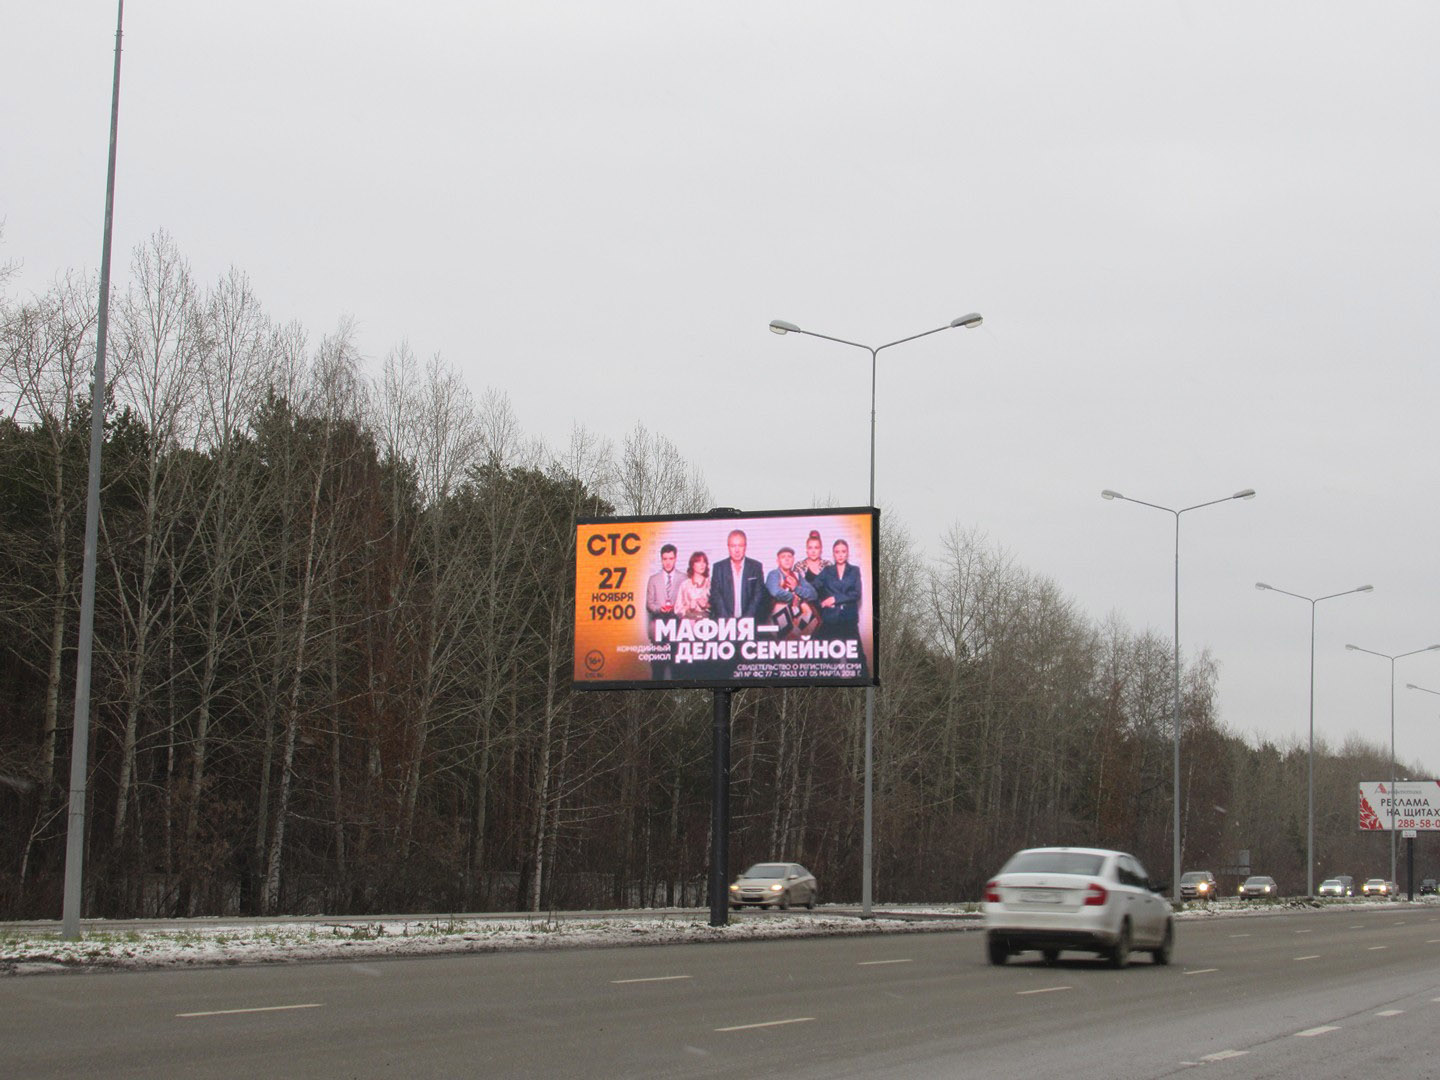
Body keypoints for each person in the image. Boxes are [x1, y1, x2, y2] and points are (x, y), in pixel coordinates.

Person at [709, 529, 767, 622]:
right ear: (728, 547)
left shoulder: (756, 567)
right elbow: (716, 596)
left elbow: (758, 595)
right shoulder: (718, 568)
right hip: (725, 622)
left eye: (740, 545)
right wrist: (728, 622)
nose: (737, 550)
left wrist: (745, 621)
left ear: (745, 546)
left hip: (750, 621)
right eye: (733, 546)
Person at [765, 546, 820, 638]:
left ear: (793, 559)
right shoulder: (774, 574)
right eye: (783, 557)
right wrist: (793, 597)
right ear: (778, 561)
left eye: (789, 557)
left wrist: (796, 588)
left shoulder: (797, 575)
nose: (787, 559)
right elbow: (775, 592)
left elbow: (813, 594)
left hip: (795, 622)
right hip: (777, 622)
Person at [818, 537, 863, 649]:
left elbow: (856, 594)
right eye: (837, 552)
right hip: (830, 619)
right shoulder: (827, 571)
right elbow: (814, 586)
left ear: (847, 553)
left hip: (849, 618)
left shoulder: (854, 570)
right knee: (830, 657)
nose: (840, 555)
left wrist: (835, 599)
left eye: (843, 551)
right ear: (833, 554)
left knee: (857, 656)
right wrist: (822, 603)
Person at [645, 544, 682, 638]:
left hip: (679, 625)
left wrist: (676, 608)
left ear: (675, 559)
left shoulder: (684, 578)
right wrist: (660, 609)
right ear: (661, 559)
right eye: (665, 559)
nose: (668, 562)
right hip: (659, 623)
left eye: (671, 558)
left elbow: (686, 603)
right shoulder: (653, 579)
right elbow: (649, 604)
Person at [673, 551, 712, 621]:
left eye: (704, 562)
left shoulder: (711, 584)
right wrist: (688, 607)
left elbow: (718, 607)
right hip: (689, 623)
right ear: (692, 565)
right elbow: (677, 610)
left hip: (707, 622)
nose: (702, 565)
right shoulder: (685, 585)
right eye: (698, 562)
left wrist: (706, 606)